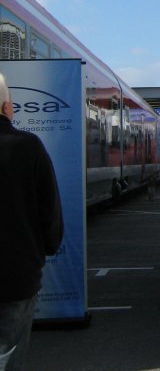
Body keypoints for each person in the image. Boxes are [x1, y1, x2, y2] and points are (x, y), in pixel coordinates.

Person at [0, 73, 64, 371]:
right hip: (15, 274)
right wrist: (47, 247)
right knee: (8, 351)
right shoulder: (27, 147)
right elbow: (48, 209)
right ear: (6, 108)